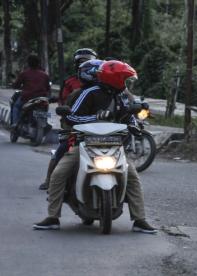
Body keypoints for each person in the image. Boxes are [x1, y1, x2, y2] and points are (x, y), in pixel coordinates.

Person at [33, 60, 156, 233]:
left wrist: (134, 124)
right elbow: (72, 117)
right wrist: (95, 118)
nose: (125, 83)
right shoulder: (89, 93)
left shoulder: (123, 95)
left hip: (114, 144)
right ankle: (52, 217)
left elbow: (128, 117)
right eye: (123, 79)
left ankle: (140, 220)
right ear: (113, 78)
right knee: (59, 173)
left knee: (133, 177)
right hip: (84, 143)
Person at [39, 48, 98, 190]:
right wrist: (69, 112)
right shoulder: (71, 82)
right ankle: (49, 180)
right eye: (82, 63)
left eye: (89, 62)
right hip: (73, 123)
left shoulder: (103, 83)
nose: (86, 66)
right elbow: (63, 102)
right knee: (62, 149)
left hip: (98, 125)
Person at [11, 54, 50, 127]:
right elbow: (48, 88)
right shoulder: (45, 75)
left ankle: (15, 124)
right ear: (38, 63)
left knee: (16, 106)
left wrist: (14, 85)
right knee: (45, 108)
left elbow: (16, 85)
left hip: (27, 98)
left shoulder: (24, 74)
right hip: (41, 98)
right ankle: (45, 123)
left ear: (28, 63)